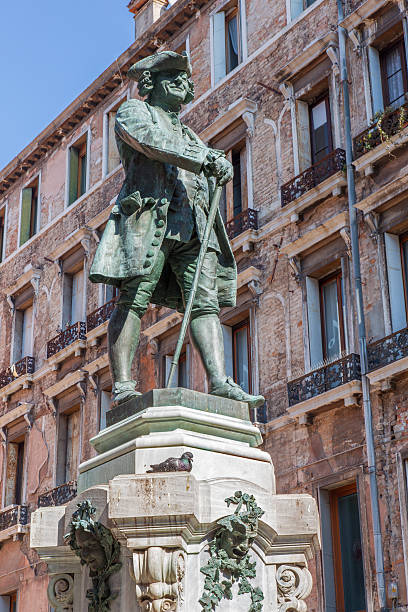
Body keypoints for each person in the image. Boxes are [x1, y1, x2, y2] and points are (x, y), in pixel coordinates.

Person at [90, 50, 264, 410]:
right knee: (133, 301)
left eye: (185, 80)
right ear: (154, 84)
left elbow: (203, 170)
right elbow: (152, 142)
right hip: (149, 221)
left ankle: (219, 381)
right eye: (175, 78)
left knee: (205, 304)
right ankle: (123, 386)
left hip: (193, 227)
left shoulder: (189, 133)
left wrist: (219, 171)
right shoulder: (135, 112)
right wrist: (205, 158)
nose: (184, 84)